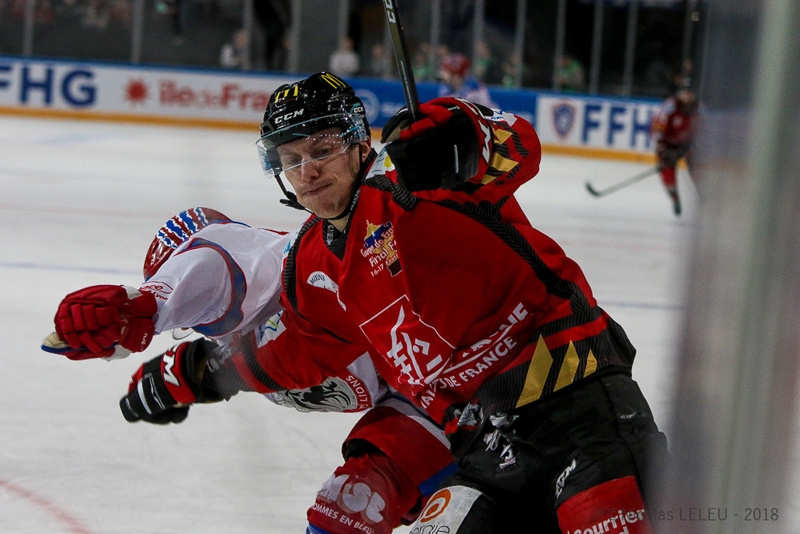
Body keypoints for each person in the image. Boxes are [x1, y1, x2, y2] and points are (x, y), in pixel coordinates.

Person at [55, 72, 667, 533]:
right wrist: (188, 373)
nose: (308, 171)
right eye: (291, 160)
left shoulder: (421, 180)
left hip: (582, 408)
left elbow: (515, 148)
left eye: (322, 149)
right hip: (487, 441)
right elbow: (295, 353)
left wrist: (464, 134)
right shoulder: (314, 262)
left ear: (357, 143)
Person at [43, 206, 456, 534]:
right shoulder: (231, 338)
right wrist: (182, 378)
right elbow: (233, 361)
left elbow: (212, 261)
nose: (198, 320)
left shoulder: (254, 261)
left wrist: (140, 307)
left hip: (469, 370)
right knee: (350, 507)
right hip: (424, 394)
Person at [650, 88, 697, 216]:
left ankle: (704, 198)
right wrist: (662, 149)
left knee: (698, 171)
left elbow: (704, 131)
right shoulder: (669, 108)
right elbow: (657, 129)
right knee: (668, 175)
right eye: (684, 93)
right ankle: (675, 199)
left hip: (687, 145)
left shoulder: (698, 109)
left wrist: (692, 146)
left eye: (690, 93)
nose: (687, 97)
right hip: (668, 146)